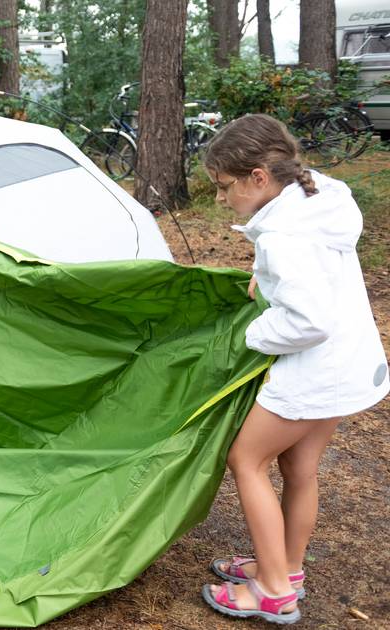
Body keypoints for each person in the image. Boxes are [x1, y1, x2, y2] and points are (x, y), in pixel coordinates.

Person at [200, 114, 388, 624]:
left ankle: (273, 590)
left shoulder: (285, 235)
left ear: (259, 177)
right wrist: (270, 281)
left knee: (246, 460)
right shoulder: (318, 200)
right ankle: (287, 567)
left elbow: (308, 321)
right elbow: (312, 277)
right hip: (347, 364)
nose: (220, 198)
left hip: (313, 370)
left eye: (223, 186)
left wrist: (251, 334)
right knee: (299, 469)